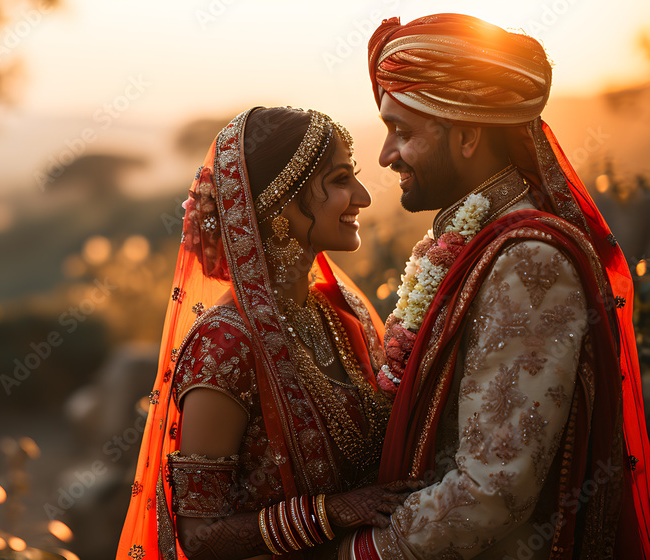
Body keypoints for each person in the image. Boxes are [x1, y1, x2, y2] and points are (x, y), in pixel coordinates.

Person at [342, 13, 650, 559]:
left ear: (466, 135)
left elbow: (493, 493)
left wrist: (351, 553)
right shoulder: (471, 242)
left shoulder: (529, 260)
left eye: (403, 132)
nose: (387, 155)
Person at [117, 106, 418, 560]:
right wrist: (330, 513)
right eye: (339, 180)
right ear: (279, 203)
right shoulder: (225, 346)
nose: (362, 196)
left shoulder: (343, 312)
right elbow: (199, 537)